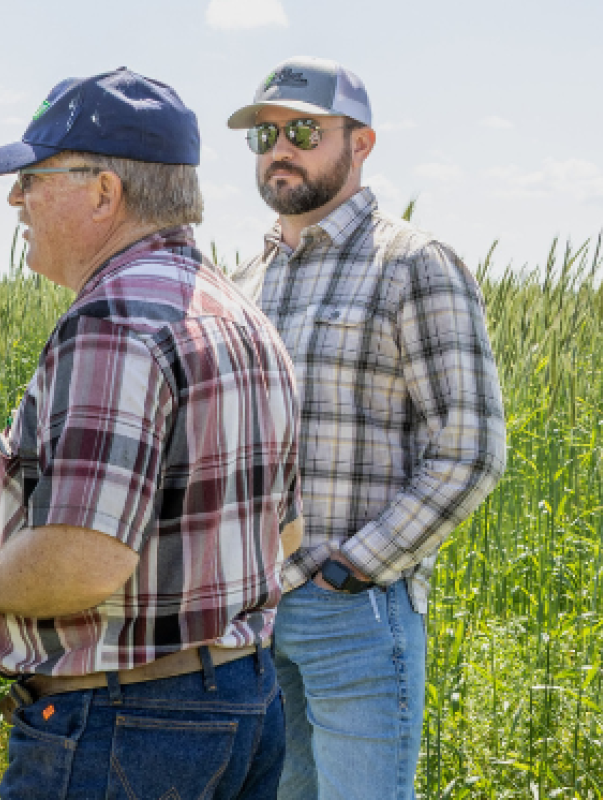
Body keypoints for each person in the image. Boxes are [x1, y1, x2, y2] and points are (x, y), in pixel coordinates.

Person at [0, 68, 304, 798]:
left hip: (126, 724)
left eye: (33, 176)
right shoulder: (244, 318)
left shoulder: (114, 321)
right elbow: (288, 534)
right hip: (243, 703)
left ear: (104, 192)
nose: (16, 198)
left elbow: (83, 561)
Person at [225, 56, 508, 800]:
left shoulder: (413, 264)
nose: (280, 148)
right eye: (266, 135)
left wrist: (352, 571)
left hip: (354, 613)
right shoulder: (245, 280)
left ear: (362, 143)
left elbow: (470, 450)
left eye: (305, 131)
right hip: (256, 618)